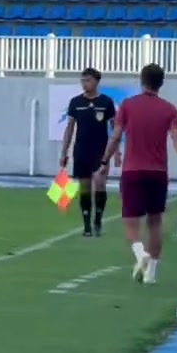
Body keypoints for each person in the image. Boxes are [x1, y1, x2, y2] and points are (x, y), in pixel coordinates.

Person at [99, 63, 177, 285]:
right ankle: (151, 273)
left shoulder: (128, 105)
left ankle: (140, 253)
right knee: (155, 222)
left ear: (142, 80)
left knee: (131, 221)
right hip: (158, 172)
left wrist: (105, 160)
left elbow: (116, 136)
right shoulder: (169, 110)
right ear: (161, 83)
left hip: (133, 170)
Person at [58, 68, 120, 237]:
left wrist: (116, 152)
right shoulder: (75, 102)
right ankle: (87, 225)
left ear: (96, 81)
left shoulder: (106, 102)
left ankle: (98, 219)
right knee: (84, 187)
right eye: (83, 80)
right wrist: (64, 152)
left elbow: (114, 129)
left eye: (88, 80)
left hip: (101, 151)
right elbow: (69, 128)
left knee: (99, 183)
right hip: (81, 151)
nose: (85, 84)